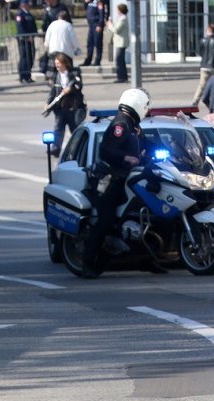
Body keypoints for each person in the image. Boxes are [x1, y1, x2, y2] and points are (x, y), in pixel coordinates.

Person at [82, 88, 151, 278]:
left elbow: (148, 145)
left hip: (128, 178)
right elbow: (105, 150)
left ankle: (148, 260)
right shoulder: (120, 124)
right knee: (106, 220)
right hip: (109, 179)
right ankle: (87, 263)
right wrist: (126, 157)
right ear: (138, 104)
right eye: (145, 105)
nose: (146, 109)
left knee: (145, 215)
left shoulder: (134, 125)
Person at [45, 53, 86, 157]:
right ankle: (56, 148)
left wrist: (70, 88)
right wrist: (47, 103)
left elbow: (78, 85)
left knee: (75, 129)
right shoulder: (56, 76)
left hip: (73, 107)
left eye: (58, 63)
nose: (57, 66)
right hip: (61, 107)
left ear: (64, 63)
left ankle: (79, 149)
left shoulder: (74, 73)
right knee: (58, 128)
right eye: (56, 64)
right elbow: (53, 91)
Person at [191, 23, 214, 105]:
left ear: (207, 31)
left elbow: (198, 52)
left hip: (204, 66)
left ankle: (195, 101)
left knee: (202, 85)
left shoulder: (203, 40)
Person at [44, 10, 81, 78]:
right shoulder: (68, 25)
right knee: (66, 70)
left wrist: (46, 46)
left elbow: (47, 37)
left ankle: (53, 83)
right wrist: (77, 48)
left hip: (53, 50)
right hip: (65, 52)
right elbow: (73, 39)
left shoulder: (52, 24)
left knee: (53, 70)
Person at [40, 0, 72, 75]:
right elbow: (45, 23)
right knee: (53, 58)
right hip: (52, 38)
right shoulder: (47, 9)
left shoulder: (62, 7)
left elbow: (68, 21)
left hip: (62, 38)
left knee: (63, 58)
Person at [15, 0, 38, 84]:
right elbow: (20, 28)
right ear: (23, 5)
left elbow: (34, 26)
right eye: (27, 4)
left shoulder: (29, 14)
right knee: (24, 58)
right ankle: (23, 76)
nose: (29, 5)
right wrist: (27, 37)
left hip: (31, 39)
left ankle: (28, 75)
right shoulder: (20, 14)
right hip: (23, 40)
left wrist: (34, 34)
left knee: (31, 57)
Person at [106, 3, 129, 83]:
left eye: (117, 9)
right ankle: (122, 77)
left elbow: (116, 30)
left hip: (121, 42)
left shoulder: (123, 19)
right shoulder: (121, 18)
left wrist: (109, 25)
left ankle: (121, 77)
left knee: (119, 60)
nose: (116, 11)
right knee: (120, 60)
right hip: (119, 42)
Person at [81, 0, 106, 67]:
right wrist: (85, 2)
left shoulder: (98, 2)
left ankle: (98, 60)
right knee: (90, 43)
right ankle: (88, 60)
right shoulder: (89, 3)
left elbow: (101, 14)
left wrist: (100, 25)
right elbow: (85, 8)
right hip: (91, 25)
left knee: (97, 43)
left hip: (96, 25)